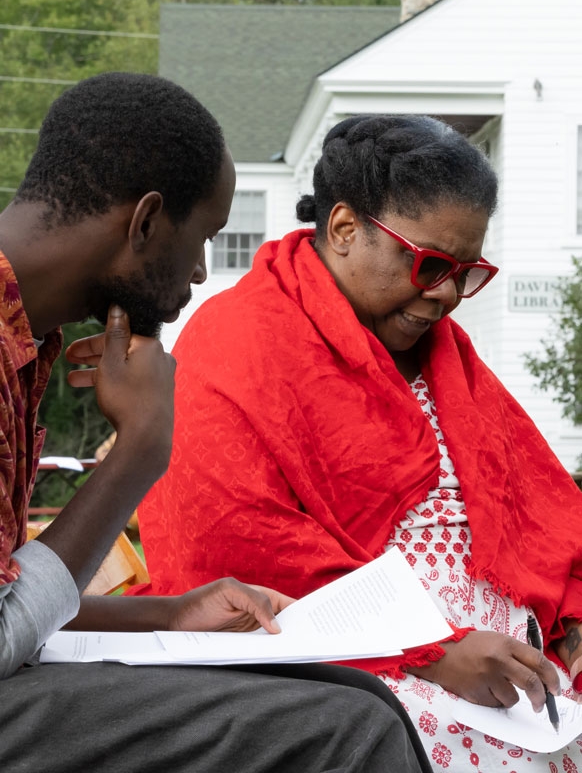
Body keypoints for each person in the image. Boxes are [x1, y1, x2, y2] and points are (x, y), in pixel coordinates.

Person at [0, 78, 434, 773]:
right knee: (347, 730)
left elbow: (8, 595)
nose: (201, 272)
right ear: (144, 224)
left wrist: (169, 614)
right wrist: (136, 453)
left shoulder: (26, 340)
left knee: (354, 696)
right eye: (201, 236)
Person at [135, 114, 582, 771]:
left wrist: (572, 632)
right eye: (430, 265)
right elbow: (234, 552)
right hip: (358, 669)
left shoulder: (446, 354)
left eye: (467, 272)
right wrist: (435, 654)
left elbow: (543, 515)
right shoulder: (237, 345)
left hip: (518, 677)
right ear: (345, 230)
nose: (449, 295)